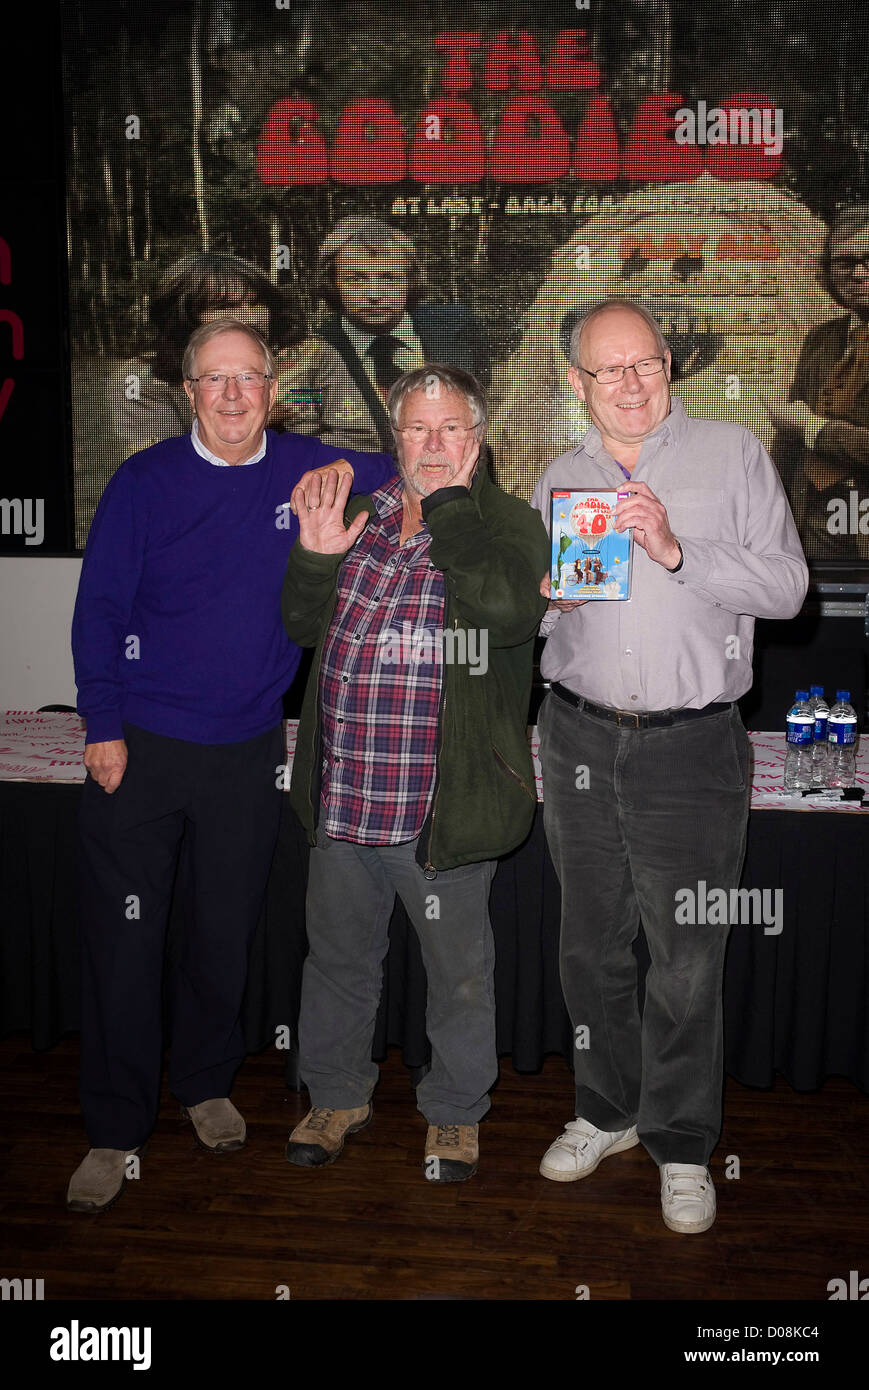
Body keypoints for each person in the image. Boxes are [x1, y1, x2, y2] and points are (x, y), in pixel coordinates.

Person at [68, 317, 394, 1212]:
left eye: (248, 378)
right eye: (214, 381)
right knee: (125, 945)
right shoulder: (143, 482)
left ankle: (206, 1085)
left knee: (223, 933)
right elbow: (98, 610)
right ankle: (113, 1127)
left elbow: (410, 470)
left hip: (249, 751)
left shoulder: (307, 467)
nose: (232, 395)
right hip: (139, 746)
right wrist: (101, 723)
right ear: (187, 393)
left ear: (271, 387)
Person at [530, 298, 808, 1233]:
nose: (630, 383)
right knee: (590, 948)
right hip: (574, 736)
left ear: (668, 365)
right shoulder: (558, 477)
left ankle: (682, 1142)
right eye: (607, 370)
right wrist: (547, 604)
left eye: (644, 362)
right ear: (577, 384)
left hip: (691, 746)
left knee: (686, 961)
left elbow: (787, 588)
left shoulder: (730, 455)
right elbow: (535, 625)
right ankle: (606, 1111)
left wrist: (677, 548)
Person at [281, 363, 548, 1182]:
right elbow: (299, 626)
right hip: (344, 794)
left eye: (450, 429)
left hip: (442, 806)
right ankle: (335, 1095)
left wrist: (451, 511)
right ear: (393, 437)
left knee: (459, 976)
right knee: (336, 960)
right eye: (417, 429)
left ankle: (456, 1113)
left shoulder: (507, 522)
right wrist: (316, 558)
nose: (432, 445)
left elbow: (508, 614)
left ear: (477, 438)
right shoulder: (357, 516)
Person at [279, 218, 490, 453]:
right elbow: (302, 429)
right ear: (333, 283)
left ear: (411, 280)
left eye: (389, 278)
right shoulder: (309, 349)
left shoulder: (457, 327)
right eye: (356, 279)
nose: (374, 294)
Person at [109, 252, 301, 453]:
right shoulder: (142, 381)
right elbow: (162, 469)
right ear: (186, 317)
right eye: (228, 306)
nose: (250, 317)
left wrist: (296, 400)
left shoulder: (292, 360)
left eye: (256, 303)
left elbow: (316, 406)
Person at [765, 205, 869, 560]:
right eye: (844, 261)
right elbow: (789, 440)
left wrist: (813, 427)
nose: (857, 273)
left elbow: (803, 423)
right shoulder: (822, 339)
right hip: (814, 522)